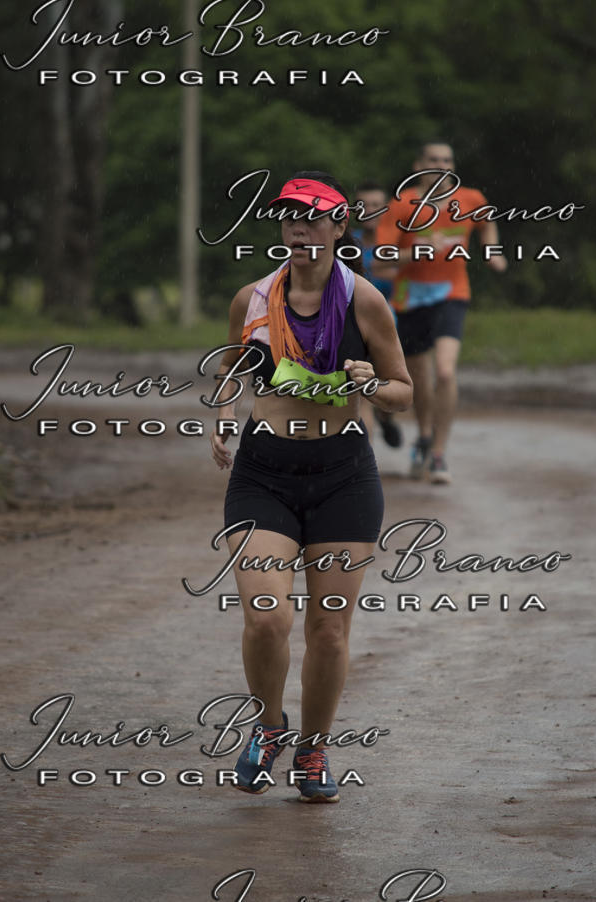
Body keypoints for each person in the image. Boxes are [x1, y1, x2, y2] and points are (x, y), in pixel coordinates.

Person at [210, 171, 412, 802]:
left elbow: (404, 392)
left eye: (313, 215)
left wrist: (367, 381)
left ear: (338, 226)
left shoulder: (364, 301)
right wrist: (221, 413)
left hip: (343, 476)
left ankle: (315, 749)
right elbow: (229, 367)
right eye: (289, 214)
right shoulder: (251, 299)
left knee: (328, 628)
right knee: (268, 618)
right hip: (264, 473)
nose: (299, 224)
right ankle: (269, 727)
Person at [375, 142, 507, 484]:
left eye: (447, 160)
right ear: (419, 165)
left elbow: (487, 223)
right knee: (420, 378)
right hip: (411, 298)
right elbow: (379, 260)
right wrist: (413, 252)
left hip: (452, 293)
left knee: (445, 371)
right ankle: (422, 437)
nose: (441, 165)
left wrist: (491, 252)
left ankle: (438, 454)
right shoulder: (402, 206)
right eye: (434, 160)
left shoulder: (470, 200)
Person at [353, 182, 402, 449]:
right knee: (363, 394)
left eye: (375, 205)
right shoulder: (347, 243)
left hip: (397, 323)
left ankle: (387, 418)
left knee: (391, 388)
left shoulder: (400, 241)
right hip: (359, 324)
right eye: (363, 205)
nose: (369, 210)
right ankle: (365, 462)